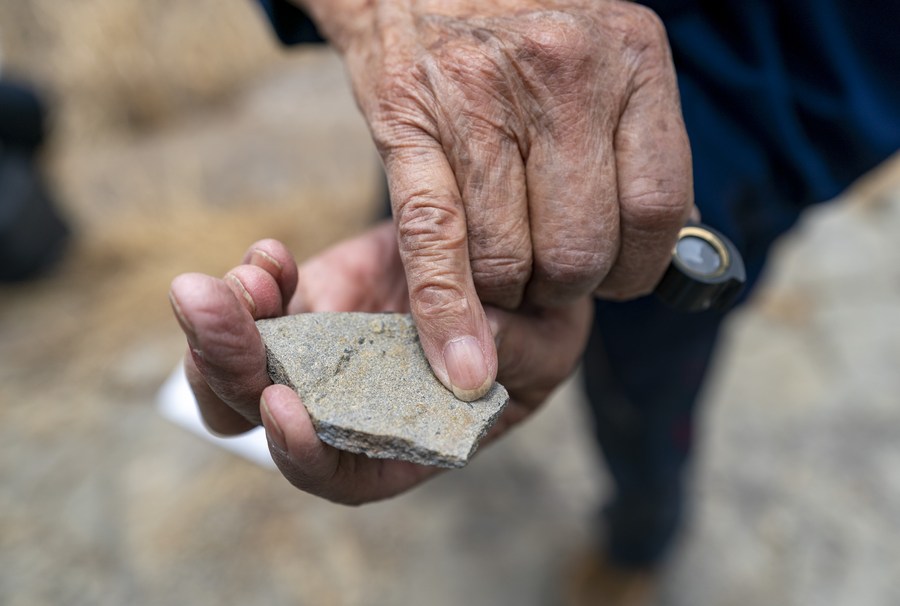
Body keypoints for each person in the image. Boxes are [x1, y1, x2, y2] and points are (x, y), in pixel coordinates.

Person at [170, 0, 900, 602]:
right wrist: (384, 18)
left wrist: (647, 188)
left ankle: (639, 542)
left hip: (691, 191)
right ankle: (401, 400)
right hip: (440, 100)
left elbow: (858, 56)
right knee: (416, 233)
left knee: (645, 406)